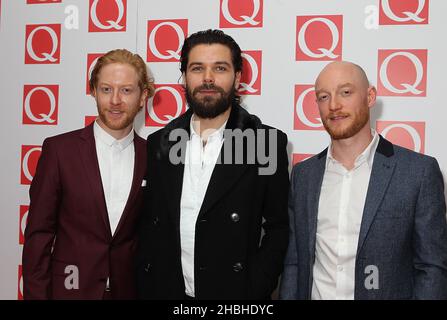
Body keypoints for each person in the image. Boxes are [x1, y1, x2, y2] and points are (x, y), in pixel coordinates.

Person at [136, 29, 289, 300]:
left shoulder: (265, 143)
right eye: (197, 68)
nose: (208, 78)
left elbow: (278, 228)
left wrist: (255, 286)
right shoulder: (160, 143)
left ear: (237, 77)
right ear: (184, 76)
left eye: (219, 68)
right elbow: (150, 226)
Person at [279, 61, 447, 300]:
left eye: (345, 92)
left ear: (370, 97)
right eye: (323, 96)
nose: (334, 105)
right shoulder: (303, 175)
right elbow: (295, 263)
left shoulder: (418, 172)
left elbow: (432, 268)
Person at [22, 49, 155, 299]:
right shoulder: (59, 151)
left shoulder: (153, 156)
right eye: (106, 89)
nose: (115, 100)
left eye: (126, 90)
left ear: (142, 97)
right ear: (93, 91)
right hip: (70, 291)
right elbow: (38, 236)